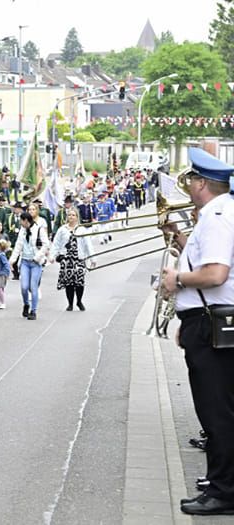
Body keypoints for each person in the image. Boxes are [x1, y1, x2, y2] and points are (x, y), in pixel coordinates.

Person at [159, 148, 234, 516]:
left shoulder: (218, 215)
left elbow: (216, 273)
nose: (186, 186)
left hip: (212, 323)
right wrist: (177, 238)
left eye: (190, 180)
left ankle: (224, 491)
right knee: (219, 410)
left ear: (202, 183)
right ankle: (222, 481)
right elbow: (207, 261)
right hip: (207, 319)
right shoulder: (218, 214)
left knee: (216, 412)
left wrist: (177, 280)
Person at [52, 210, 95, 311]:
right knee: (69, 283)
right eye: (69, 215)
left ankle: (79, 301)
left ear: (77, 217)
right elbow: (56, 243)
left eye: (73, 215)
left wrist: (92, 258)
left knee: (79, 282)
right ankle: (70, 303)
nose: (71, 217)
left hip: (79, 258)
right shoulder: (62, 229)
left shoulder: (82, 230)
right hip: (67, 259)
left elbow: (88, 244)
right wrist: (52, 256)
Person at [10, 211, 49, 320]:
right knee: (24, 287)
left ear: (26, 221)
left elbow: (46, 244)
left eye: (21, 221)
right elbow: (18, 245)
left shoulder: (39, 229)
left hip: (35, 262)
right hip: (25, 262)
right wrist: (12, 260)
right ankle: (26, 304)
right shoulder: (22, 231)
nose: (20, 223)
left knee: (33, 287)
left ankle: (33, 310)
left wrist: (38, 257)